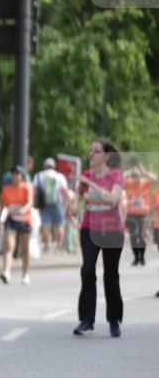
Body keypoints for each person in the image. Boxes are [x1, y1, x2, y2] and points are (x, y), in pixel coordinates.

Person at [71, 139, 125, 337]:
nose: (91, 154)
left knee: (111, 275)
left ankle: (114, 320)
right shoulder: (84, 176)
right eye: (90, 150)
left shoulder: (115, 176)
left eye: (96, 151)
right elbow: (76, 200)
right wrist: (73, 206)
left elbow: (113, 200)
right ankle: (86, 319)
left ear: (106, 156)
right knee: (87, 270)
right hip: (89, 228)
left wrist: (91, 184)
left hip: (112, 230)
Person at [0, 166, 34, 285]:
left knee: (25, 248)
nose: (14, 176)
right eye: (13, 174)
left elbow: (30, 202)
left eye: (17, 174)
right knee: (9, 246)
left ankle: (25, 274)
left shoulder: (26, 188)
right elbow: (2, 205)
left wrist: (24, 209)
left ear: (21, 176)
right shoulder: (6, 189)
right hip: (11, 218)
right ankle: (6, 271)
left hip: (24, 219)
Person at [33, 158, 68, 253]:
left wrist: (35, 202)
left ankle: (46, 246)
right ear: (54, 166)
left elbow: (34, 190)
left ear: (45, 166)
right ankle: (59, 246)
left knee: (45, 224)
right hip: (58, 203)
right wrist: (67, 203)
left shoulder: (39, 175)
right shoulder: (59, 176)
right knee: (60, 224)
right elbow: (64, 191)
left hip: (44, 203)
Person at [124, 165, 155, 266]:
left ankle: (142, 257)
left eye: (137, 175)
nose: (136, 177)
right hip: (131, 214)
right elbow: (120, 178)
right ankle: (136, 257)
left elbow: (154, 178)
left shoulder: (144, 182)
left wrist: (144, 171)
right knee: (133, 237)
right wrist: (129, 171)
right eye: (134, 175)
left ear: (140, 175)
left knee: (141, 236)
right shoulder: (129, 182)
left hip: (143, 214)